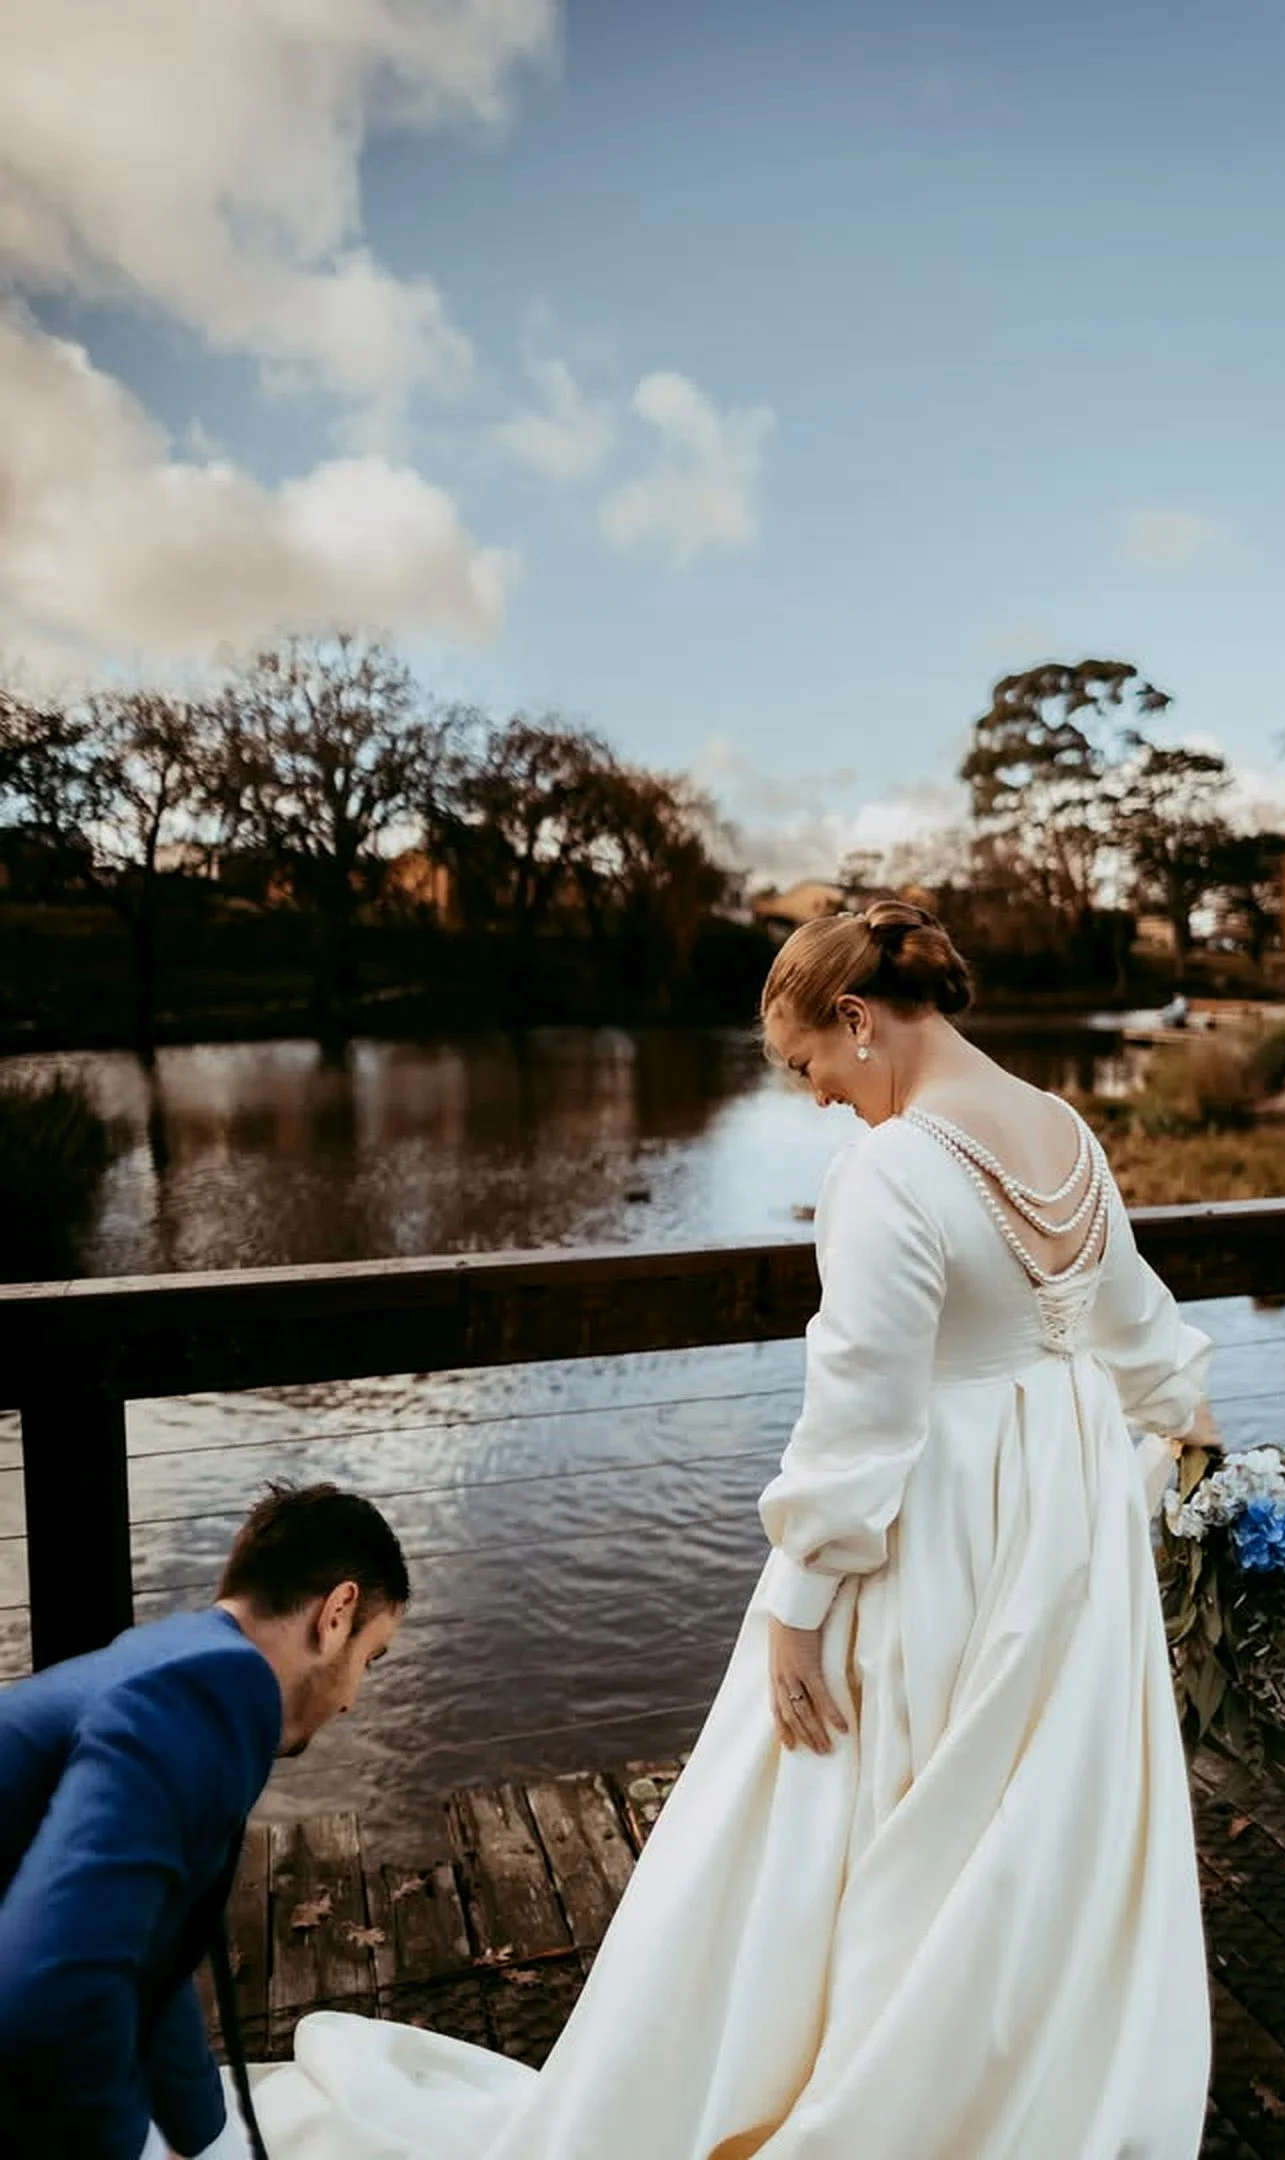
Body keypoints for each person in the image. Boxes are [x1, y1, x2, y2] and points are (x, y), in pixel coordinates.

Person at [243, 901, 1214, 2159]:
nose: (812, 1099)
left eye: (808, 1065)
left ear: (859, 1021)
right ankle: (1014, 2071)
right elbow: (1136, 1321)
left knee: (857, 1791)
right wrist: (1188, 1428)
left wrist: (799, 1614)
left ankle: (869, 2080)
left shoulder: (893, 1167)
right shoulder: (1067, 1134)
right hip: (1066, 1521)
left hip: (944, 1526)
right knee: (1023, 1808)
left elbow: (861, 1409)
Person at [0, 1482, 409, 2160]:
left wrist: (211, 2140)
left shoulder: (182, 1667)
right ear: (337, 1614)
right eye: (370, 1659)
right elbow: (44, 1995)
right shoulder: (200, 1702)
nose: (352, 1701)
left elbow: (146, 1966)